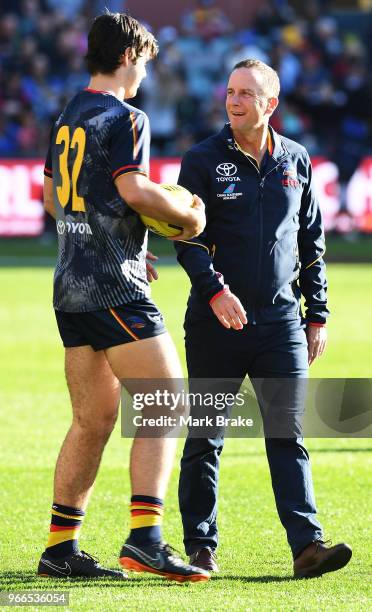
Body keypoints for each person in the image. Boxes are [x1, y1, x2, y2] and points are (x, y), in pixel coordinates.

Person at [38, 12, 209, 583]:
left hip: (70, 284)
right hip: (114, 289)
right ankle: (146, 540)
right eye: (145, 63)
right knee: (167, 404)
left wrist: (122, 239)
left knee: (92, 420)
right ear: (131, 54)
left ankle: (60, 548)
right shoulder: (125, 115)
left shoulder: (70, 113)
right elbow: (135, 189)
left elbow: (50, 198)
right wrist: (185, 216)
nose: (144, 76)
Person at [175, 59, 352, 578]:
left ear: (270, 104)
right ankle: (200, 547)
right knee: (206, 435)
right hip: (215, 323)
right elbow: (185, 239)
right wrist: (214, 292)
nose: (233, 101)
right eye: (230, 91)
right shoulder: (202, 159)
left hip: (281, 324)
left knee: (287, 434)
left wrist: (316, 314)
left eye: (246, 94)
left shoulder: (297, 160)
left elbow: (311, 242)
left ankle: (307, 548)